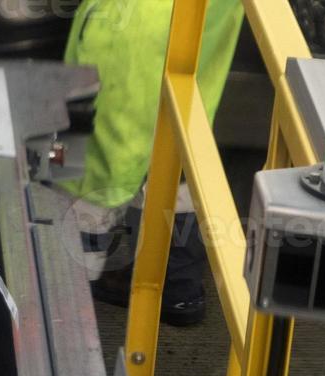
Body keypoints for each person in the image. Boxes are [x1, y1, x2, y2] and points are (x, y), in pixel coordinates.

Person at [62, 0, 245, 327]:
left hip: (134, 23)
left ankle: (70, 296)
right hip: (206, 20)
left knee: (99, 161)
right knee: (180, 142)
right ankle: (178, 285)